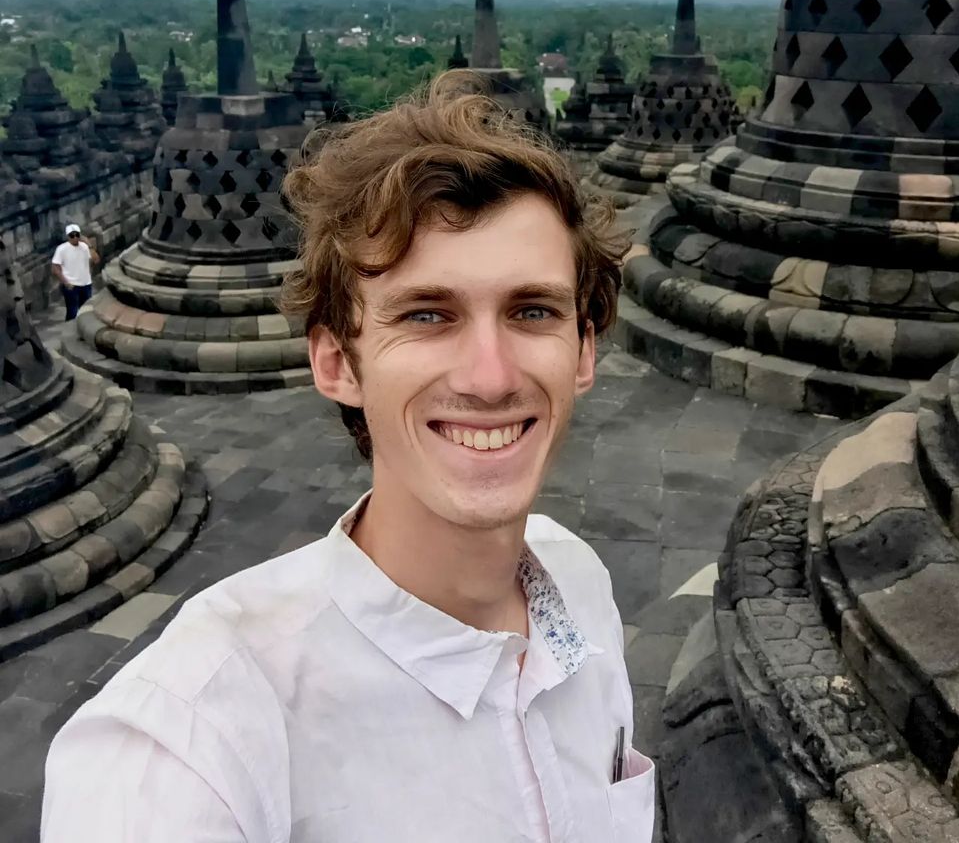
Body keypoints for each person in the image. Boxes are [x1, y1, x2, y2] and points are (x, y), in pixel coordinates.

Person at [42, 72, 655, 842]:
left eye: (533, 311)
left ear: (583, 352)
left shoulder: (583, 589)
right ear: (336, 363)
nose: (492, 376)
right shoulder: (193, 740)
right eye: (427, 315)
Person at [51, 223, 98, 321]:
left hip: (85, 284)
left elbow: (96, 260)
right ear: (68, 236)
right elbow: (55, 268)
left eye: (77, 235)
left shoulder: (84, 247)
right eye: (72, 235)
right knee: (72, 312)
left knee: (86, 311)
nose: (75, 238)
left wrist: (89, 244)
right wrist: (65, 282)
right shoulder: (61, 249)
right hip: (71, 285)